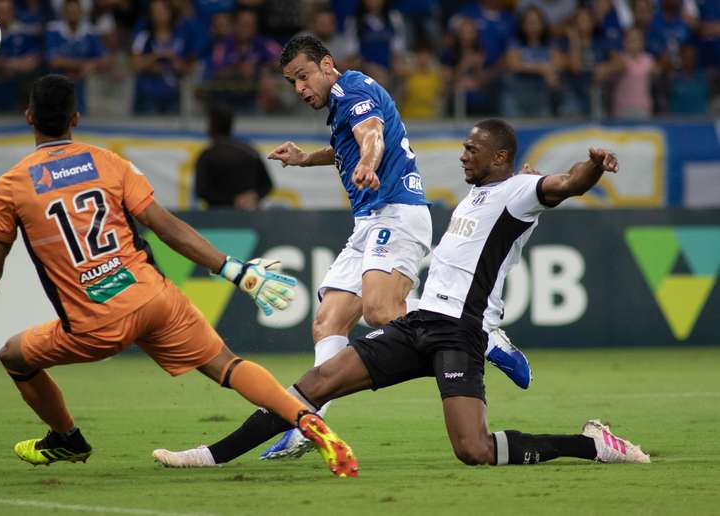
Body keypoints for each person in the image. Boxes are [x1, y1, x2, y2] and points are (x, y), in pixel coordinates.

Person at [152, 119, 651, 469]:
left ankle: (590, 444)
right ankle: (213, 456)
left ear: (500, 156)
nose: (462, 155)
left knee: (473, 450)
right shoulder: (477, 194)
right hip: (419, 325)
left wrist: (592, 167)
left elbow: (565, 184)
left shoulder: (520, 192)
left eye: (472, 149)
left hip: (459, 332)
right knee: (318, 382)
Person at [0, 74, 358, 478]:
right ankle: (306, 420)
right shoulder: (108, 163)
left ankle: (66, 437)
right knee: (226, 365)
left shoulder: (11, 186)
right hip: (151, 297)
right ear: (76, 118)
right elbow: (167, 228)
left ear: (28, 117)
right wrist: (236, 272)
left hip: (96, 321)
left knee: (13, 356)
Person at [250, 35, 531, 461]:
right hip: (369, 221)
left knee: (381, 310)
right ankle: (311, 424)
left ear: (327, 65)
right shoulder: (341, 104)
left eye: (303, 76)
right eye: (292, 82)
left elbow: (372, 135)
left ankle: (482, 334)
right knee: (328, 322)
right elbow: (349, 143)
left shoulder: (353, 89)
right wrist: (308, 158)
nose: (300, 88)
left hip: (394, 212)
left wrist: (367, 162)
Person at [194, 103, 273, 209]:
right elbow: (267, 185)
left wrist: (234, 200)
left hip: (218, 218)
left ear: (212, 125)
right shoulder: (249, 151)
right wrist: (253, 196)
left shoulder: (207, 156)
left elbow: (202, 191)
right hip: (249, 215)